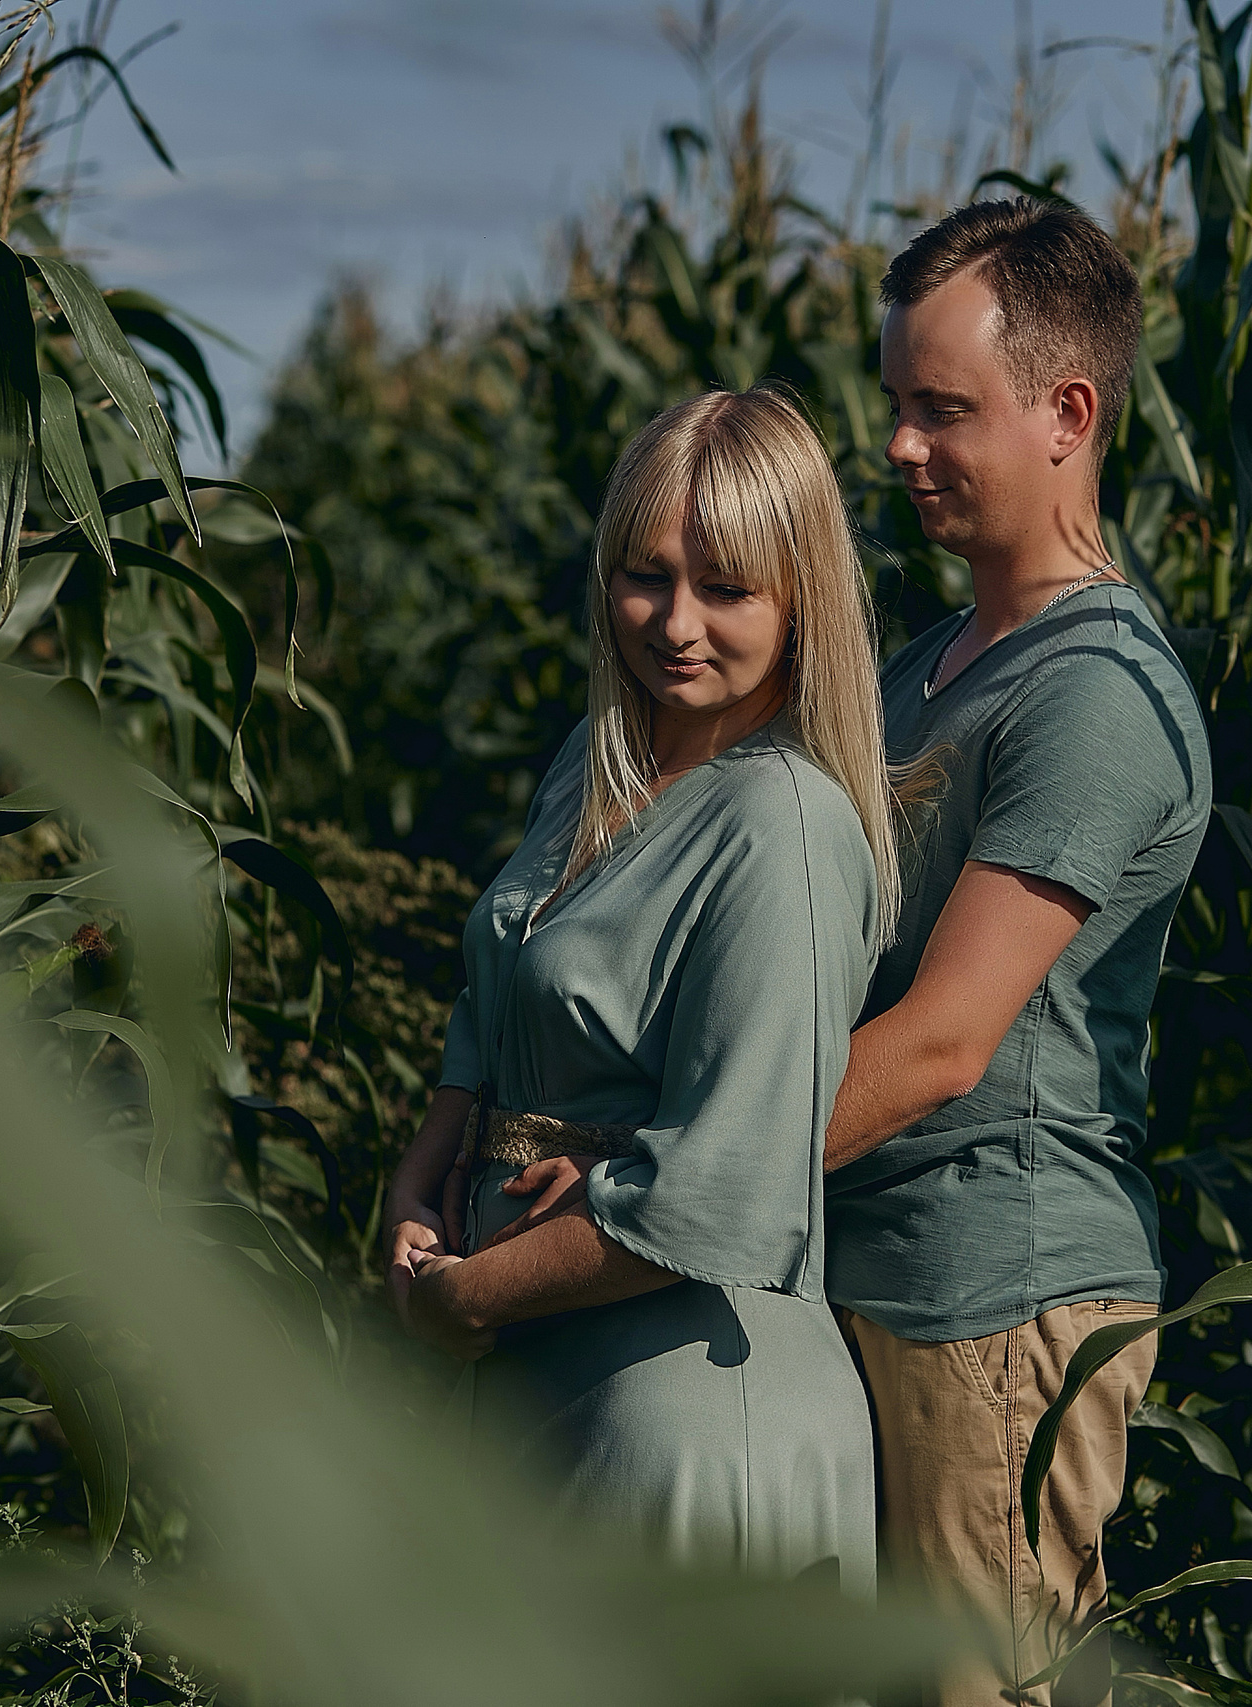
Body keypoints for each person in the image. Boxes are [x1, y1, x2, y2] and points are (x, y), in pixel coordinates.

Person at [381, 385, 895, 1589]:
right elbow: (498, 989)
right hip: (540, 1371)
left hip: (682, 1408)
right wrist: (421, 1177)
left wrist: (466, 1301)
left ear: (799, 594)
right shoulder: (592, 762)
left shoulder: (785, 823)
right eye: (643, 574)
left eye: (726, 587)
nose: (674, 622)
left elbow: (727, 1188)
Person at [825, 198, 1213, 1706]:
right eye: (897, 408)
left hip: (992, 1298)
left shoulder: (1095, 692)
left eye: (942, 410)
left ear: (1069, 412)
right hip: (879, 1269)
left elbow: (942, 1039)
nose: (902, 448)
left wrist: (677, 1170)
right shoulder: (934, 663)